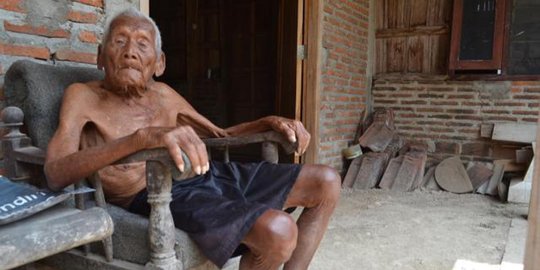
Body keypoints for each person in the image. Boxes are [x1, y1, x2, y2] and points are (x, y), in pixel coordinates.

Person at [44, 8, 340, 270]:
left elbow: (219, 136)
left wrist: (268, 121)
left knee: (326, 181)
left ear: (159, 64)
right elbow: (55, 172)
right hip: (159, 194)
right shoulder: (82, 96)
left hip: (209, 175)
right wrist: (142, 139)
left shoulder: (163, 94)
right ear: (100, 56)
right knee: (279, 231)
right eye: (119, 40)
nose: (130, 51)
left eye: (142, 44)